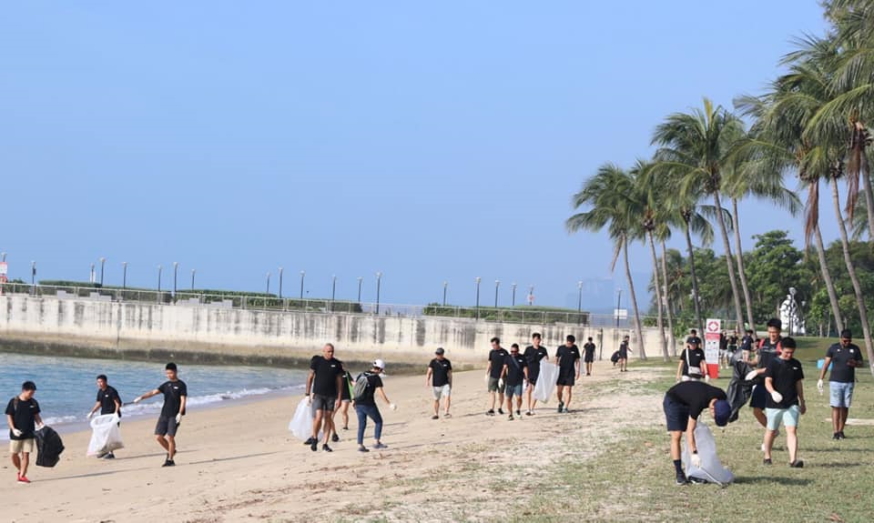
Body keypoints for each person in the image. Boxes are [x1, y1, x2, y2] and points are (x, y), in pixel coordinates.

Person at [663, 380, 731, 485]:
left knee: (696, 433)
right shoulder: (698, 402)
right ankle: (679, 473)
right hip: (673, 400)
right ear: (712, 409)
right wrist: (694, 454)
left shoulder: (721, 395)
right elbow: (689, 431)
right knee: (677, 435)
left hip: (688, 400)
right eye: (714, 417)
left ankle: (693, 472)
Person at [132, 363, 188, 467]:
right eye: (167, 373)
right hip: (164, 414)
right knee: (158, 437)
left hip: (174, 415)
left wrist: (180, 413)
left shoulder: (181, 385)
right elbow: (153, 392)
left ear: (175, 372)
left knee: (170, 437)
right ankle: (172, 451)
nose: (169, 375)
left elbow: (183, 400)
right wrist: (141, 398)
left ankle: (170, 460)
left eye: (171, 373)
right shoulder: (166, 385)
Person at [762, 337, 805, 468]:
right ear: (781, 349)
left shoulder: (796, 364)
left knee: (791, 430)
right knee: (771, 430)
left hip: (791, 402)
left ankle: (793, 459)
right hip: (774, 404)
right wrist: (773, 392)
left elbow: (798, 383)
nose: (789, 355)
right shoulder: (773, 363)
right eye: (787, 352)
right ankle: (767, 455)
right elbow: (767, 381)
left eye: (791, 352)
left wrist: (802, 401)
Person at [817, 329, 863, 440]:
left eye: (849, 341)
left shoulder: (855, 349)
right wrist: (821, 378)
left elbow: (861, 363)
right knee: (836, 406)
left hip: (849, 382)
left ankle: (841, 430)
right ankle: (835, 431)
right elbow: (826, 363)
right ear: (841, 338)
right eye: (845, 340)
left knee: (845, 407)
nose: (847, 343)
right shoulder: (833, 348)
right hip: (835, 381)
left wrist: (855, 363)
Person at [303, 343, 344, 452]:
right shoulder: (317, 361)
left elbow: (340, 382)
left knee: (328, 418)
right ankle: (315, 437)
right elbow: (310, 377)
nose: (331, 353)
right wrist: (307, 394)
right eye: (329, 351)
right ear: (324, 351)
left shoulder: (337, 364)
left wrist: (339, 398)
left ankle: (325, 443)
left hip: (331, 396)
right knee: (318, 416)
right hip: (318, 394)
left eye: (332, 351)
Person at [747, 319, 783, 442]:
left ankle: (768, 440)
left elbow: (777, 366)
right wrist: (747, 363)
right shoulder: (763, 342)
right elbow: (757, 360)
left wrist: (758, 371)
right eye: (770, 331)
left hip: (775, 383)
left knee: (772, 413)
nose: (772, 334)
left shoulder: (782, 345)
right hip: (762, 382)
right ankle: (773, 431)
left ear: (779, 331)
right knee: (756, 411)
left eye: (775, 332)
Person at [354, 359, 396, 452]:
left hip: (358, 403)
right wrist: (389, 403)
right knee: (378, 421)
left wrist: (354, 401)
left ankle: (360, 445)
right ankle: (376, 442)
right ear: (380, 369)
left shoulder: (361, 374)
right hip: (368, 404)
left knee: (362, 424)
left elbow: (355, 387)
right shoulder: (376, 378)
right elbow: (380, 393)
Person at [6, 381, 43, 484]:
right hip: (16, 433)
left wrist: (42, 425)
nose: (32, 395)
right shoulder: (14, 402)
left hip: (29, 433)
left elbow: (37, 416)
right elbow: (9, 416)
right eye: (30, 393)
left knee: (25, 455)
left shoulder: (33, 402)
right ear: (24, 390)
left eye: (33, 393)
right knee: (14, 455)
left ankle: (22, 476)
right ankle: (21, 470)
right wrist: (13, 429)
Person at [86, 374, 122, 459]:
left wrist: (115, 413)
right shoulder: (100, 391)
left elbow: (117, 403)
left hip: (113, 416)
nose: (100, 383)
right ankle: (104, 451)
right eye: (98, 382)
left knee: (110, 434)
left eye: (101, 381)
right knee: (103, 434)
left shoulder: (111, 391)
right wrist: (92, 412)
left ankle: (111, 453)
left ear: (105, 381)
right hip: (104, 416)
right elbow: (99, 403)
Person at [523, 333, 549, 416]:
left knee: (536, 391)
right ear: (533, 340)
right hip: (529, 372)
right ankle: (527, 408)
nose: (538, 341)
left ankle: (532, 408)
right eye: (536, 339)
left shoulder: (543, 350)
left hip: (539, 373)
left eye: (539, 339)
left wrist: (545, 360)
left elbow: (546, 359)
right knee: (529, 390)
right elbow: (524, 360)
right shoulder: (528, 349)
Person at [501, 344, 529, 420]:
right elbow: (504, 368)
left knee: (519, 398)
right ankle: (510, 414)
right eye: (511, 351)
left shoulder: (522, 357)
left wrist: (527, 378)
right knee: (508, 399)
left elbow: (525, 368)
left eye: (514, 351)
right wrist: (501, 378)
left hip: (519, 381)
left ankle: (518, 409)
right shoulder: (508, 358)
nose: (513, 353)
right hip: (509, 382)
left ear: (518, 350)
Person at [555, 335, 581, 413]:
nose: (570, 345)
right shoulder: (561, 348)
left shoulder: (575, 348)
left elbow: (577, 360)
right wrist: (556, 366)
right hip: (561, 371)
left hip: (570, 372)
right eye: (569, 343)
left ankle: (566, 407)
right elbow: (557, 357)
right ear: (567, 341)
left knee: (568, 390)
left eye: (571, 344)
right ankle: (560, 402)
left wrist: (578, 371)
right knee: (559, 391)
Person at [426, 348, 452, 419]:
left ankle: (446, 412)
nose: (437, 355)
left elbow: (449, 374)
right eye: (437, 354)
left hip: (445, 383)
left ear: (442, 354)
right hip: (436, 384)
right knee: (436, 400)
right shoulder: (433, 362)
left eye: (439, 354)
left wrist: (450, 383)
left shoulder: (447, 362)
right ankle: (436, 414)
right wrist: (427, 381)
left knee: (447, 397)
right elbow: (429, 372)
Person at [485, 337, 509, 416]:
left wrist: (503, 376)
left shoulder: (504, 352)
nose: (493, 346)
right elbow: (489, 363)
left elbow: (506, 366)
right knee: (492, 392)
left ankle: (500, 408)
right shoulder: (492, 352)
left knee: (501, 393)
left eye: (494, 345)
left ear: (498, 344)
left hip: (502, 377)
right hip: (493, 376)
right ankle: (492, 409)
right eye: (492, 345)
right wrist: (486, 373)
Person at [330, 367, 353, 443]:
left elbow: (351, 382)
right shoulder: (333, 374)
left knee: (343, 411)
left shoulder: (346, 373)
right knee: (332, 412)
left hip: (346, 395)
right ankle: (330, 423)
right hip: (336, 396)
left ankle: (345, 426)